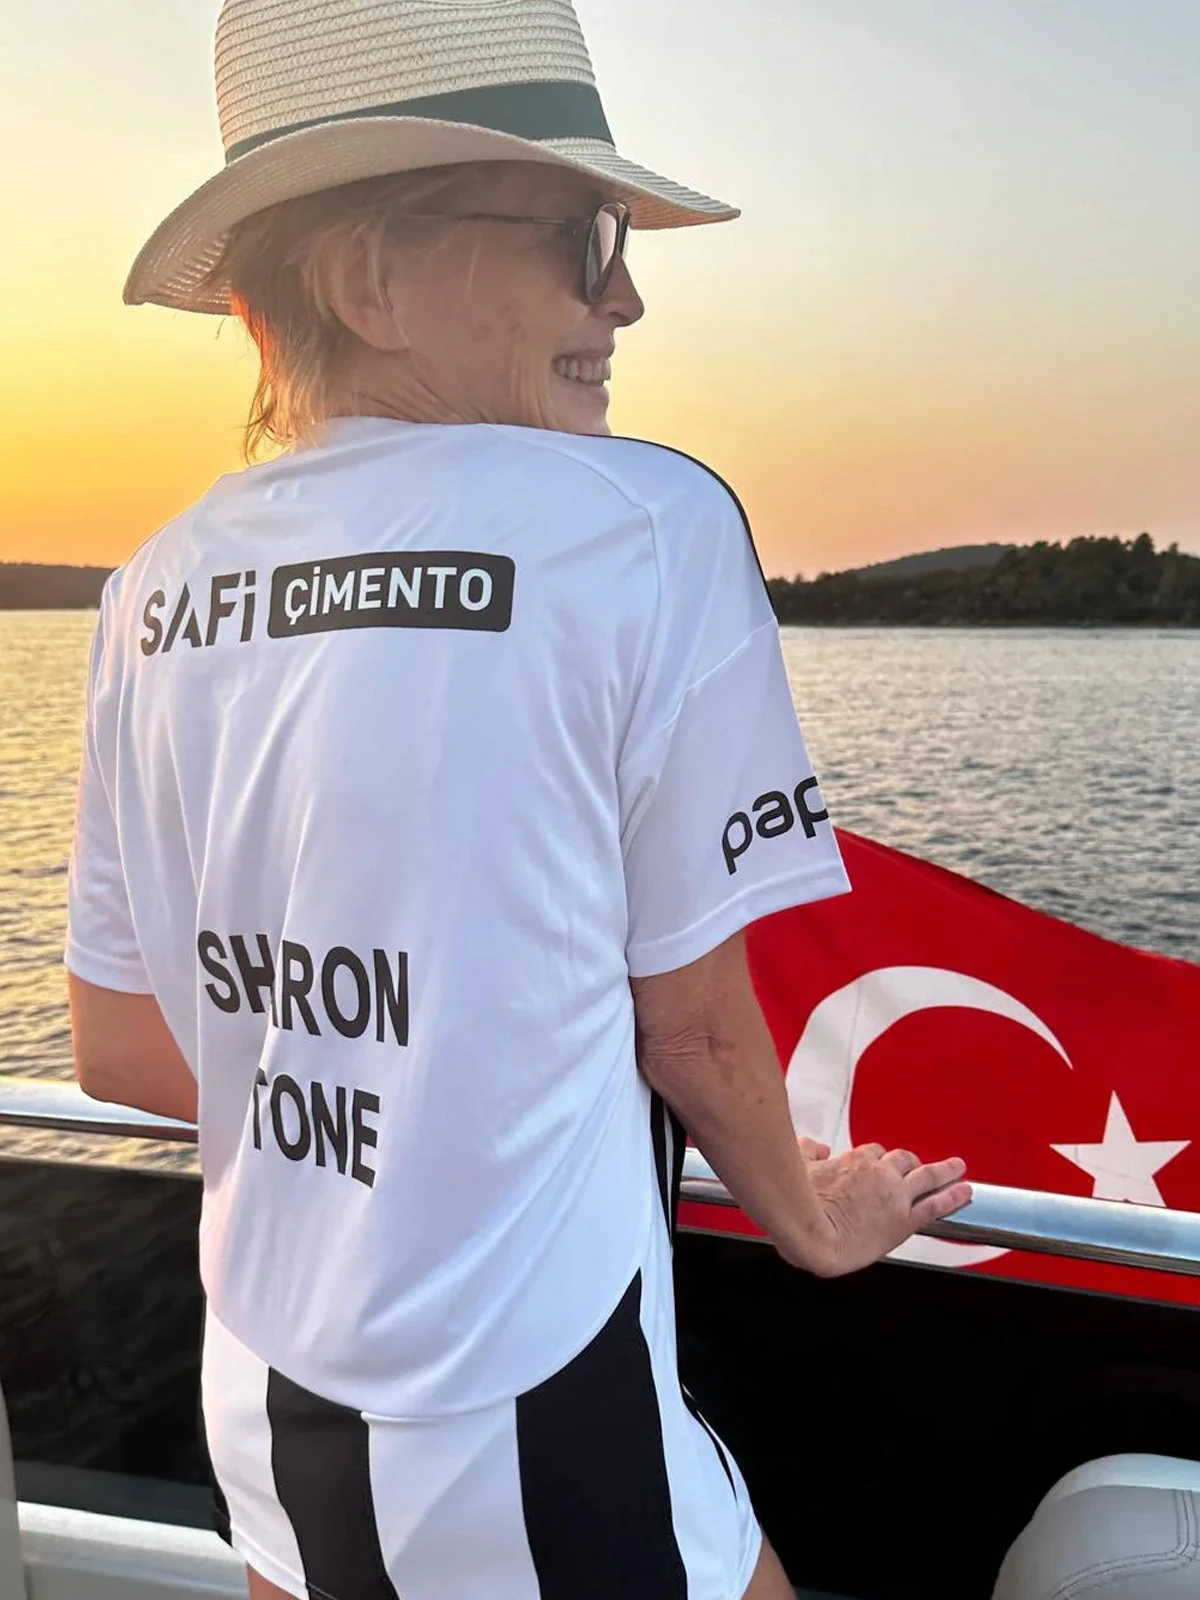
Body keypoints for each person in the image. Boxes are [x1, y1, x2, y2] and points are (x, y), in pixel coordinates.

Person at [65, 2, 971, 1597]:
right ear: (371, 280)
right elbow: (693, 1031)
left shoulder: (153, 588)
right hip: (534, 1407)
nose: (623, 297)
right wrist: (814, 1220)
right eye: (580, 236)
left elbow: (121, 1044)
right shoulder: (640, 525)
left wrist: (385, 1094)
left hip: (266, 1403)